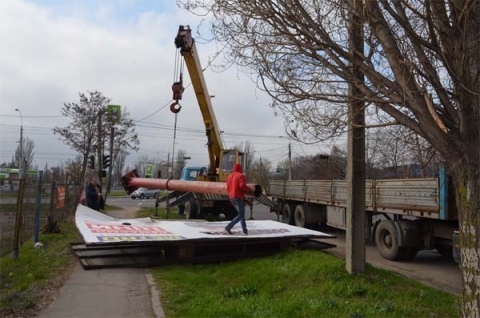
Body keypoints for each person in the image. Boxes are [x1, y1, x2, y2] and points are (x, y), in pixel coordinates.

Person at [224, 163, 253, 235]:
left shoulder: (229, 177)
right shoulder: (241, 176)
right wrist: (249, 189)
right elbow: (242, 185)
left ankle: (245, 230)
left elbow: (228, 188)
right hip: (238, 197)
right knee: (241, 215)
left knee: (241, 214)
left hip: (232, 197)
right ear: (240, 169)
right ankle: (228, 227)